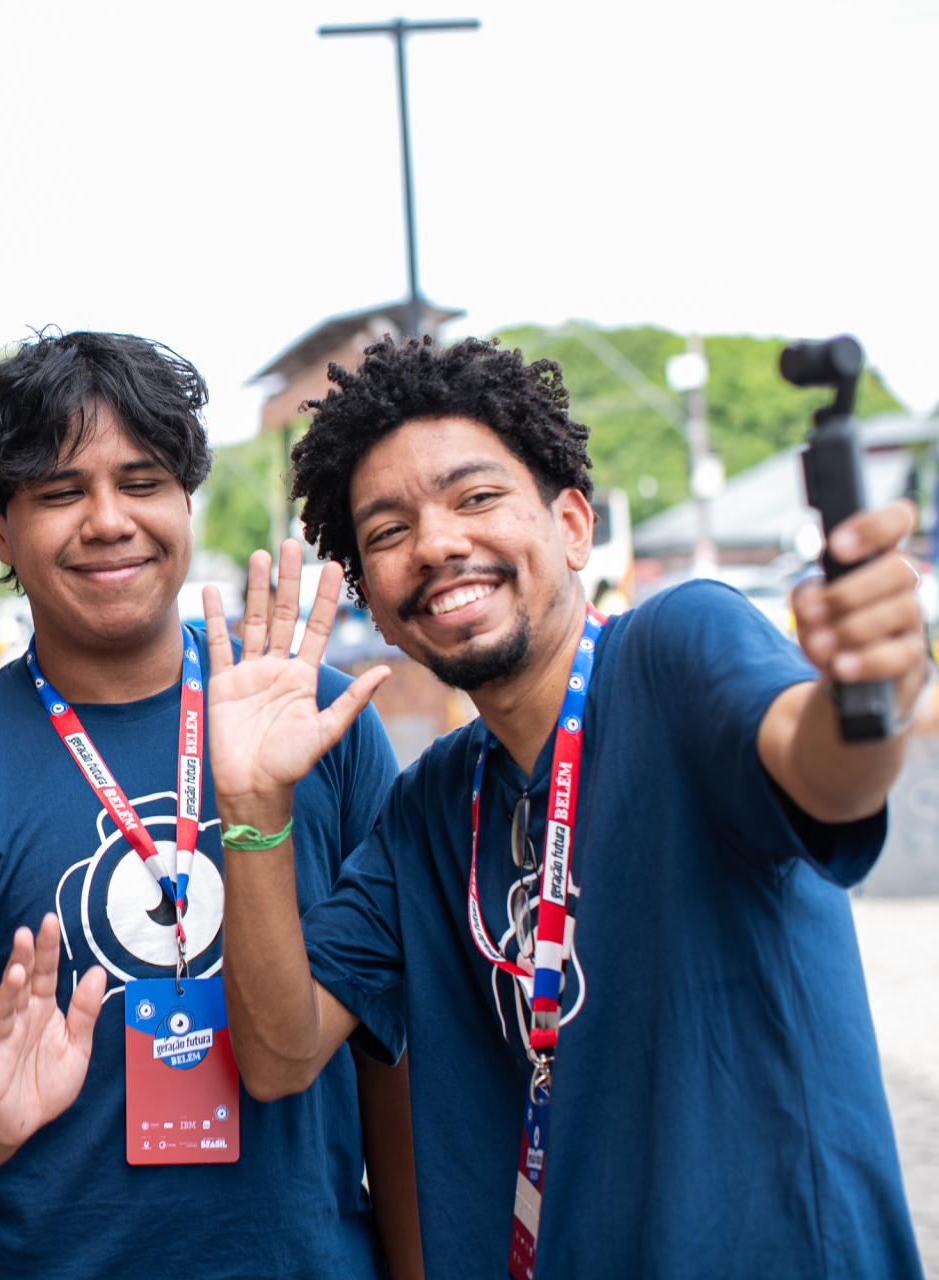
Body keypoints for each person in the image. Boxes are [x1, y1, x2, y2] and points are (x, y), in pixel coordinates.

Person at [209, 335, 928, 1279]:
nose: (436, 543)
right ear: (378, 613)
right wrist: (254, 807)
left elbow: (825, 770)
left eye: (477, 498)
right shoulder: (430, 807)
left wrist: (868, 699)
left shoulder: (679, 646)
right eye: (388, 532)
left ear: (574, 525)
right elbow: (278, 1055)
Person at [0, 330, 420, 1280]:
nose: (109, 520)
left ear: (186, 499)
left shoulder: (321, 723)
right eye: (60, 493)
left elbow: (393, 1049)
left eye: (143, 481)